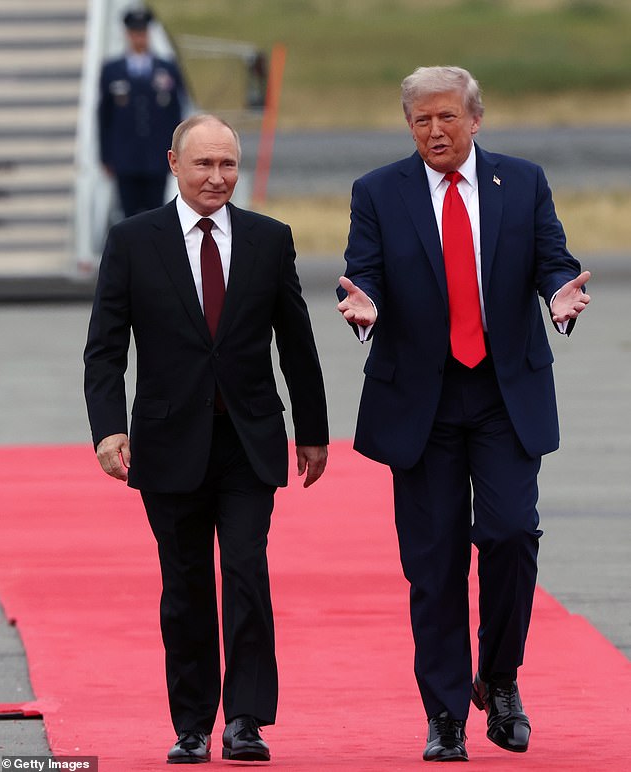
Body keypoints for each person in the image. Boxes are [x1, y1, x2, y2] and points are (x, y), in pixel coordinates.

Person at [337, 66, 590, 763]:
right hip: (421, 399)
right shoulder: (378, 191)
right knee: (435, 562)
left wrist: (561, 298)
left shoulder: (524, 181)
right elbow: (366, 272)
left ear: (475, 120)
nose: (435, 131)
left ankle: (500, 677)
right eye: (421, 119)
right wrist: (364, 305)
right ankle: (445, 714)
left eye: (447, 117)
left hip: (504, 393)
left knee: (510, 533)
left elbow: (552, 261)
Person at [84, 114, 329, 764]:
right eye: (203, 165)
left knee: (246, 572)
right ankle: (191, 723)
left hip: (249, 441)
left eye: (228, 164)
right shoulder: (134, 241)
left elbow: (296, 342)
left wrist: (313, 431)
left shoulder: (268, 240)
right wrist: (108, 428)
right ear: (173, 163)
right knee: (186, 583)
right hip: (168, 444)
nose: (217, 177)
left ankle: (244, 720)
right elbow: (105, 349)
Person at [98, 8, 186, 218]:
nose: (139, 37)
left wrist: (177, 151)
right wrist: (106, 156)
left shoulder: (166, 68)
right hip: (125, 156)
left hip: (156, 154)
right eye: (135, 32)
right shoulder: (113, 70)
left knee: (157, 212)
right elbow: (104, 116)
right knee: (129, 214)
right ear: (127, 34)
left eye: (143, 32)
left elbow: (176, 112)